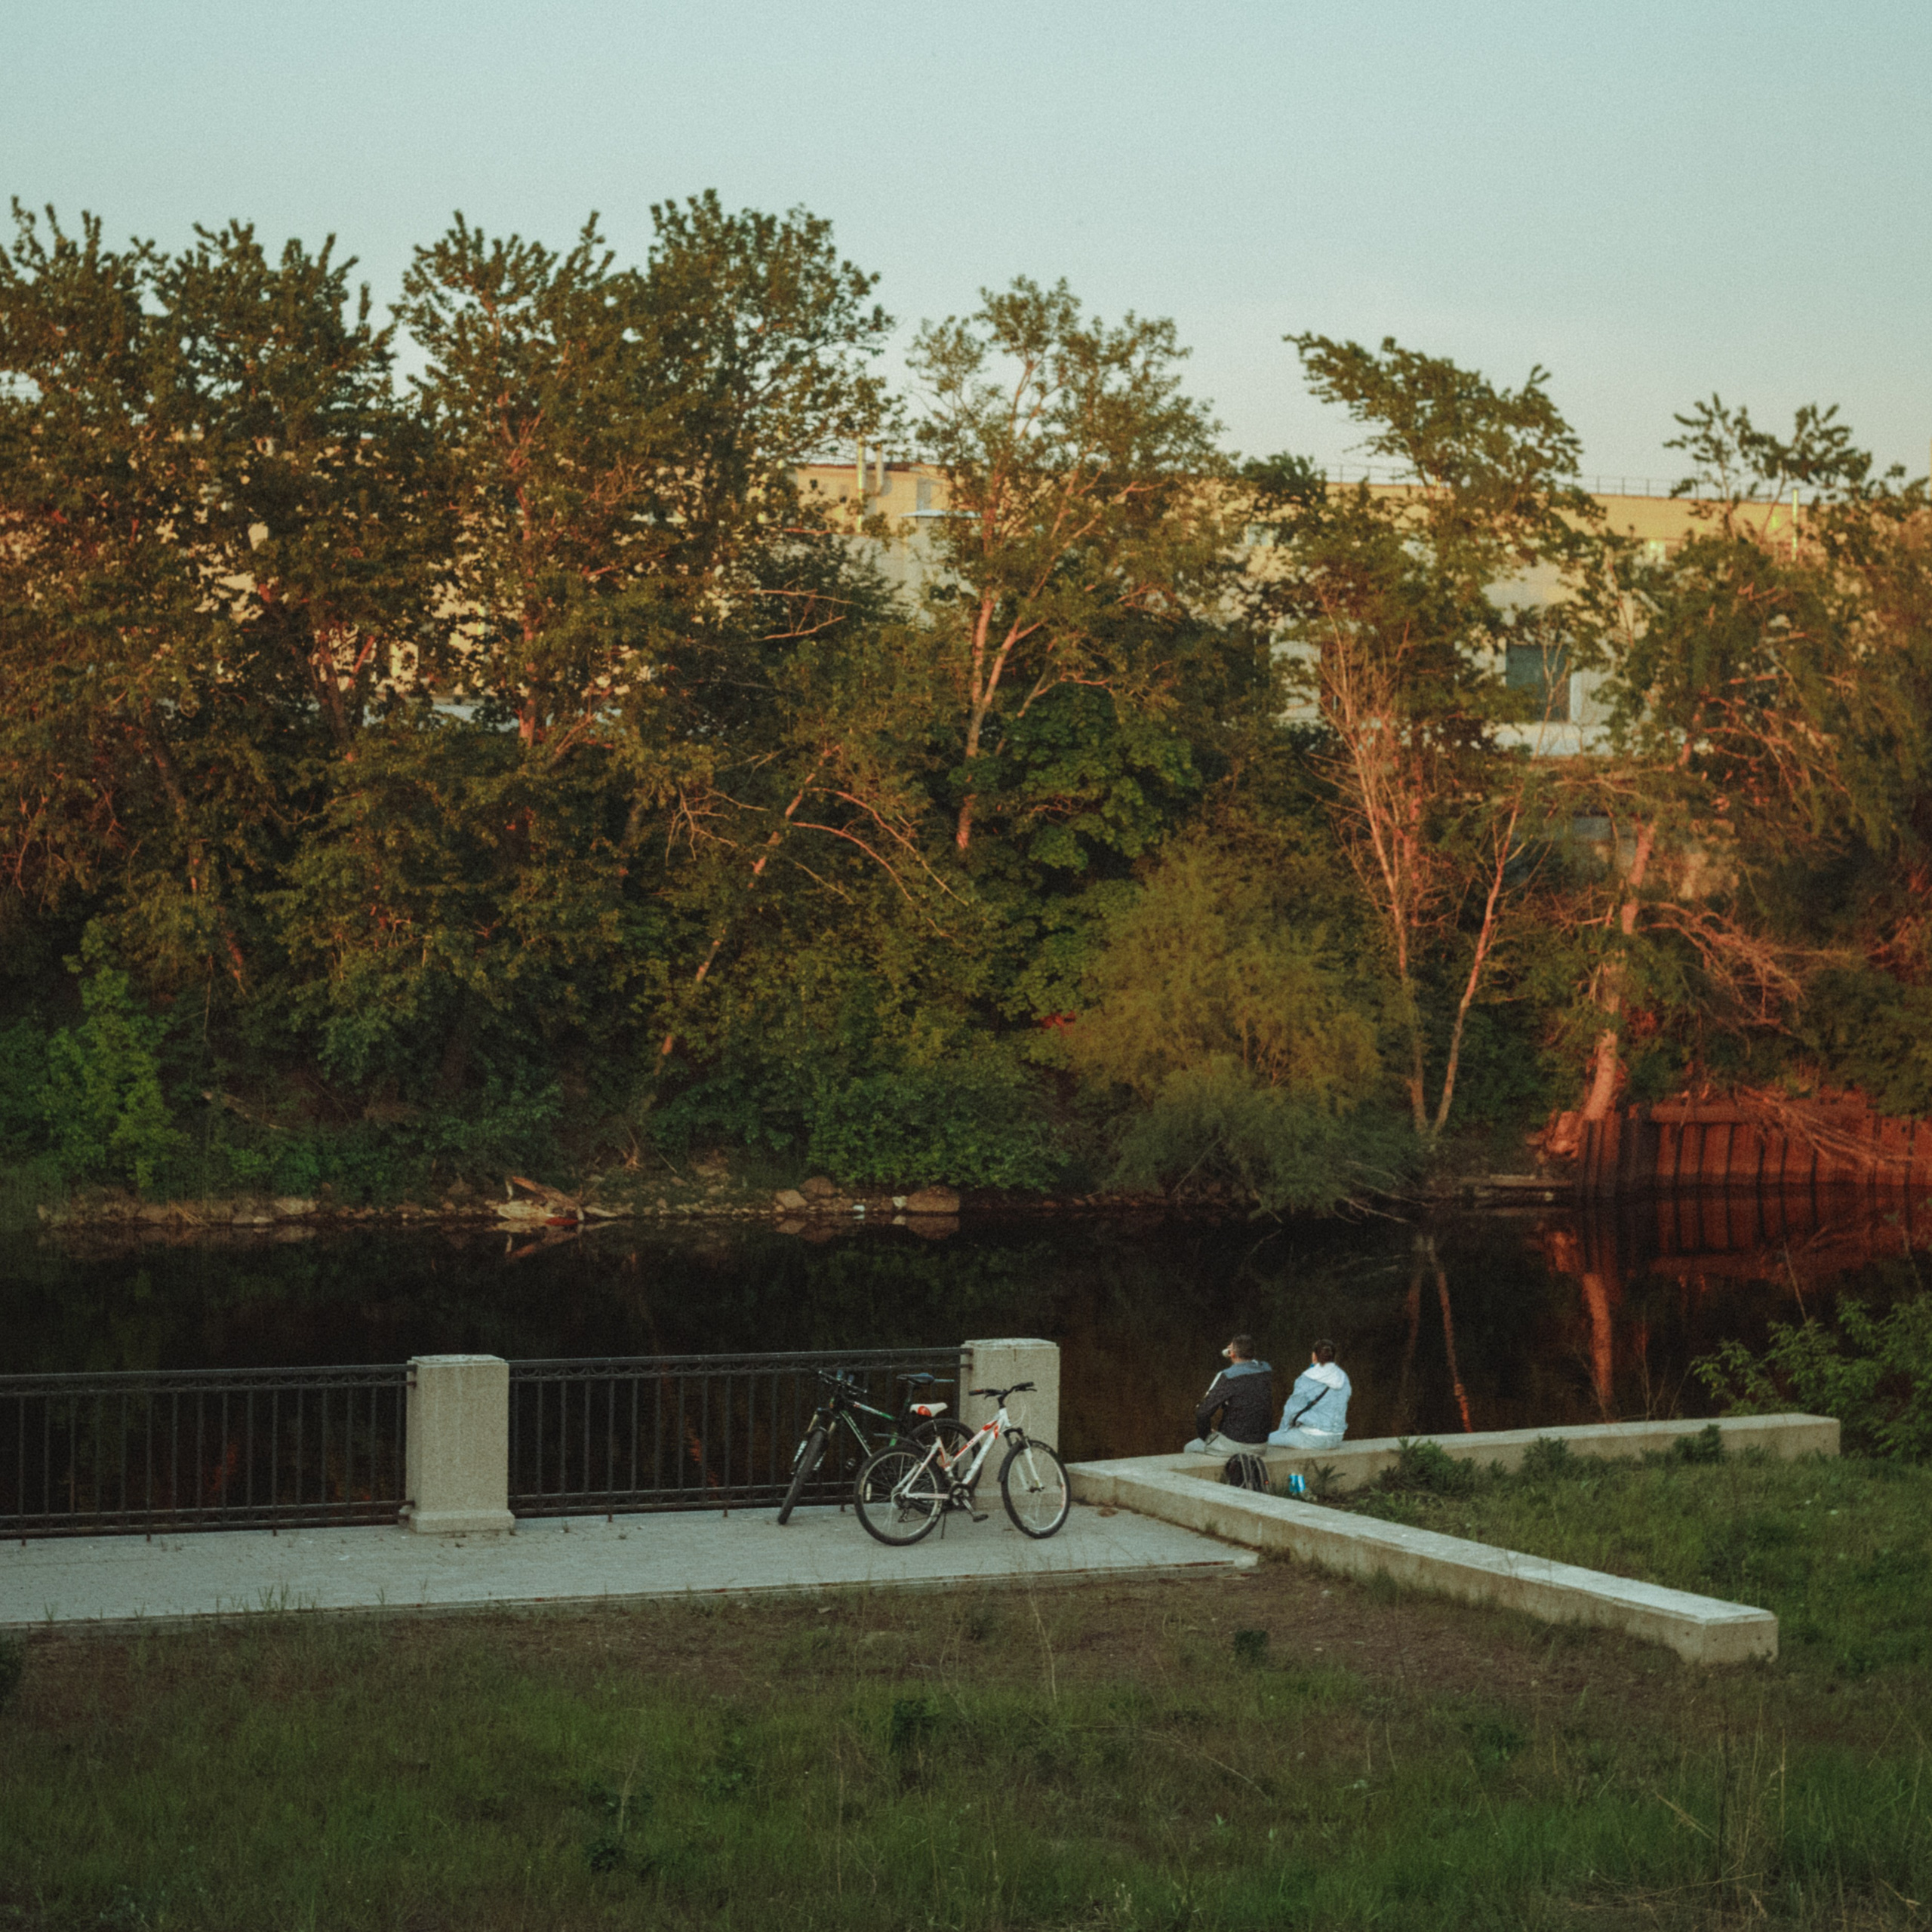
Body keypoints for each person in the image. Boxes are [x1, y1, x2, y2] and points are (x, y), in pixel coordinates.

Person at [1184, 1334, 1273, 1456]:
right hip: (1262, 1445)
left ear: (1231, 1354)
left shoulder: (1228, 1376)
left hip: (1236, 1444)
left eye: (1230, 1346)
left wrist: (1207, 1436)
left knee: (1190, 1447)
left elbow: (1203, 1412)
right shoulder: (1266, 1370)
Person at [1269, 1340, 1350, 1450]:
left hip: (1312, 1438)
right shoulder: (1343, 1378)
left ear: (1314, 1356)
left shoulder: (1308, 1378)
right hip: (1337, 1438)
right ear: (1334, 1357)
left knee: (1267, 1440)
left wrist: (1283, 1431)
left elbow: (1292, 1410)